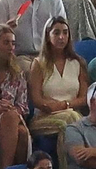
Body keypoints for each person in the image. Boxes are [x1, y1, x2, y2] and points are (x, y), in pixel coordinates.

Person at [28, 16, 88, 144]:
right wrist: (51, 106)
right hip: (44, 117)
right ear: (48, 36)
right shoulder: (39, 64)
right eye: (56, 33)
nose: (61, 37)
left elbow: (84, 98)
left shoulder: (78, 62)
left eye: (65, 33)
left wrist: (65, 105)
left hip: (72, 113)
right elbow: (36, 99)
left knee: (71, 118)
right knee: (70, 122)